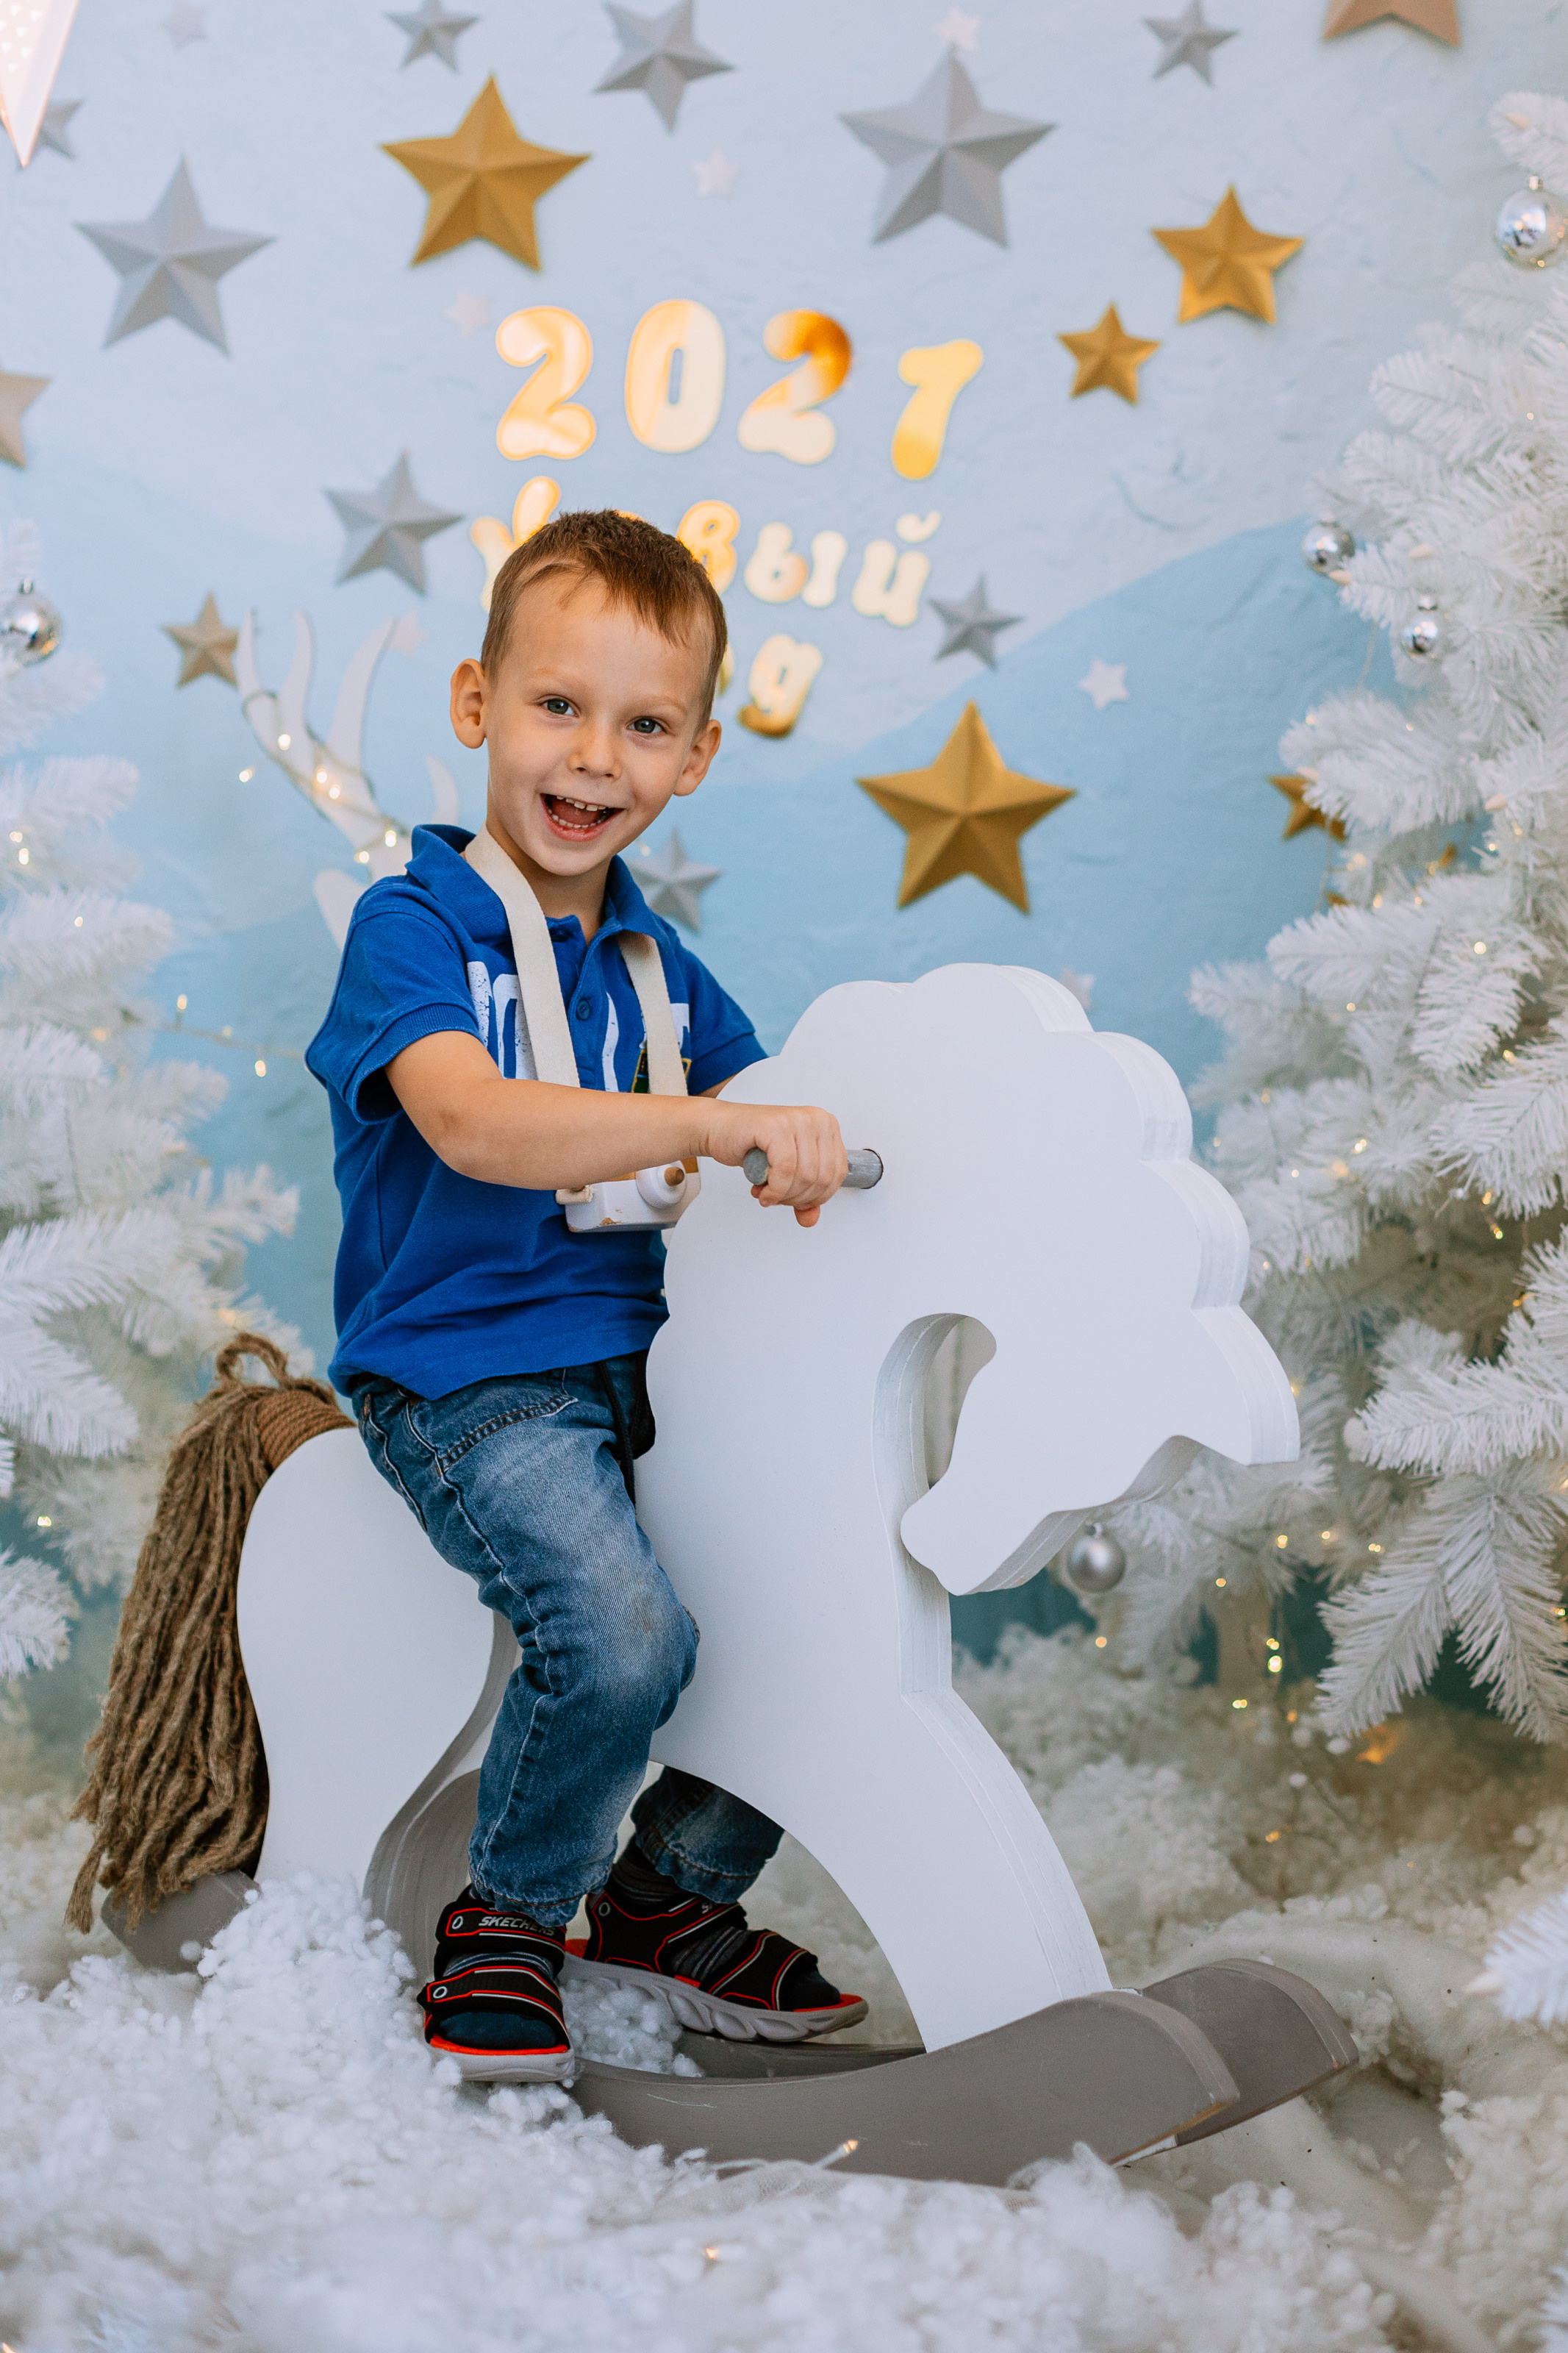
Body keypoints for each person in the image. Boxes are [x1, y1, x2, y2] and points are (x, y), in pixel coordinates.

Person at [306, 510, 867, 2080]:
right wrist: (706, 1124)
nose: (593, 755)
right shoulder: (411, 926)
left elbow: (787, 1102)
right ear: (478, 704)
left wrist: (836, 1136)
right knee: (620, 1637)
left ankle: (668, 1896)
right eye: (557, 705)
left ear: (690, 759)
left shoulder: (655, 967)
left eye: (643, 724)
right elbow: (474, 1121)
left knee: (816, 1606)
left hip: (651, 1371)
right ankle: (509, 1911)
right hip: (471, 1377)